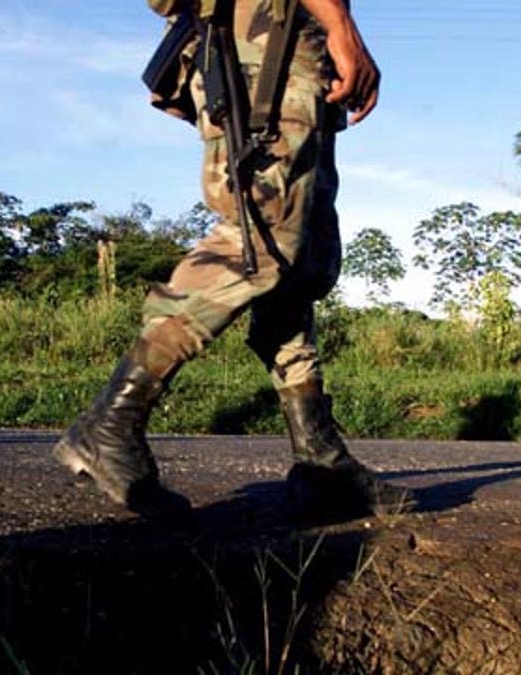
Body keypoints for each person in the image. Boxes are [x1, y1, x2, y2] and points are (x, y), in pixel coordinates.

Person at [53, 0, 411, 517]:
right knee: (259, 244)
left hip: (290, 42)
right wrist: (341, 26)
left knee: (301, 257)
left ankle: (318, 460)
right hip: (268, 40)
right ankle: (112, 420)